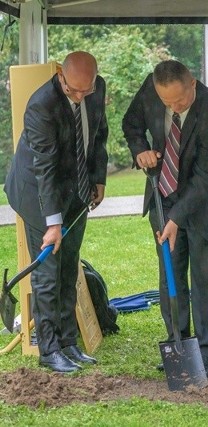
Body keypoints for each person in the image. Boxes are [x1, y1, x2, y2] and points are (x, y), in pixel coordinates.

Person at [122, 60, 208, 377]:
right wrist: (140, 149)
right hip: (164, 195)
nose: (173, 107)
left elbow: (207, 176)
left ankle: (204, 350)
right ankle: (177, 341)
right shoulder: (152, 88)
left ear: (193, 85)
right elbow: (130, 123)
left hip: (207, 203)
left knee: (204, 277)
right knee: (169, 272)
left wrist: (176, 217)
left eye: (180, 101)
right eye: (166, 102)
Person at [4, 51, 108, 372]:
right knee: (48, 273)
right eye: (72, 90)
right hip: (38, 195)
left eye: (85, 91)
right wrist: (52, 223)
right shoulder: (41, 106)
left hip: (75, 189)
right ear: (60, 74)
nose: (79, 96)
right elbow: (44, 168)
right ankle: (49, 350)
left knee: (69, 266)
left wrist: (98, 179)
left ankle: (68, 343)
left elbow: (98, 135)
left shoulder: (95, 88)